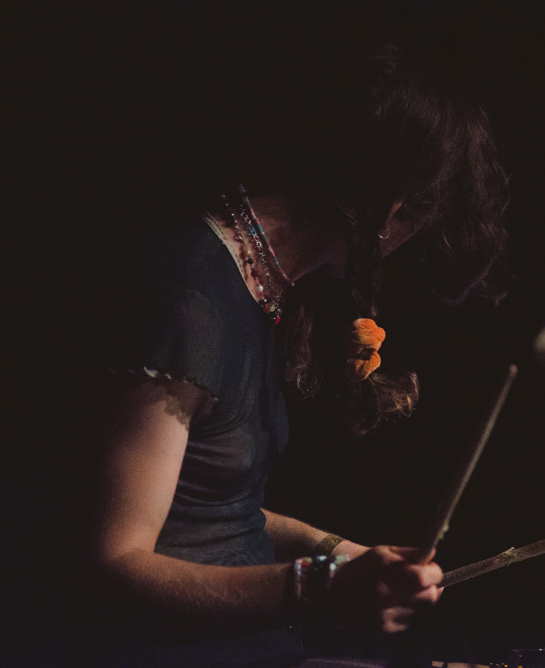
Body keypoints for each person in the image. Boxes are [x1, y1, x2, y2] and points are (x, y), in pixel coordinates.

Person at [72, 41, 511, 666]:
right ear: (390, 207)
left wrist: (338, 553)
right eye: (420, 219)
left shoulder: (259, 292)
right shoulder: (186, 297)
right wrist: (319, 586)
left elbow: (215, 513)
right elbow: (112, 562)